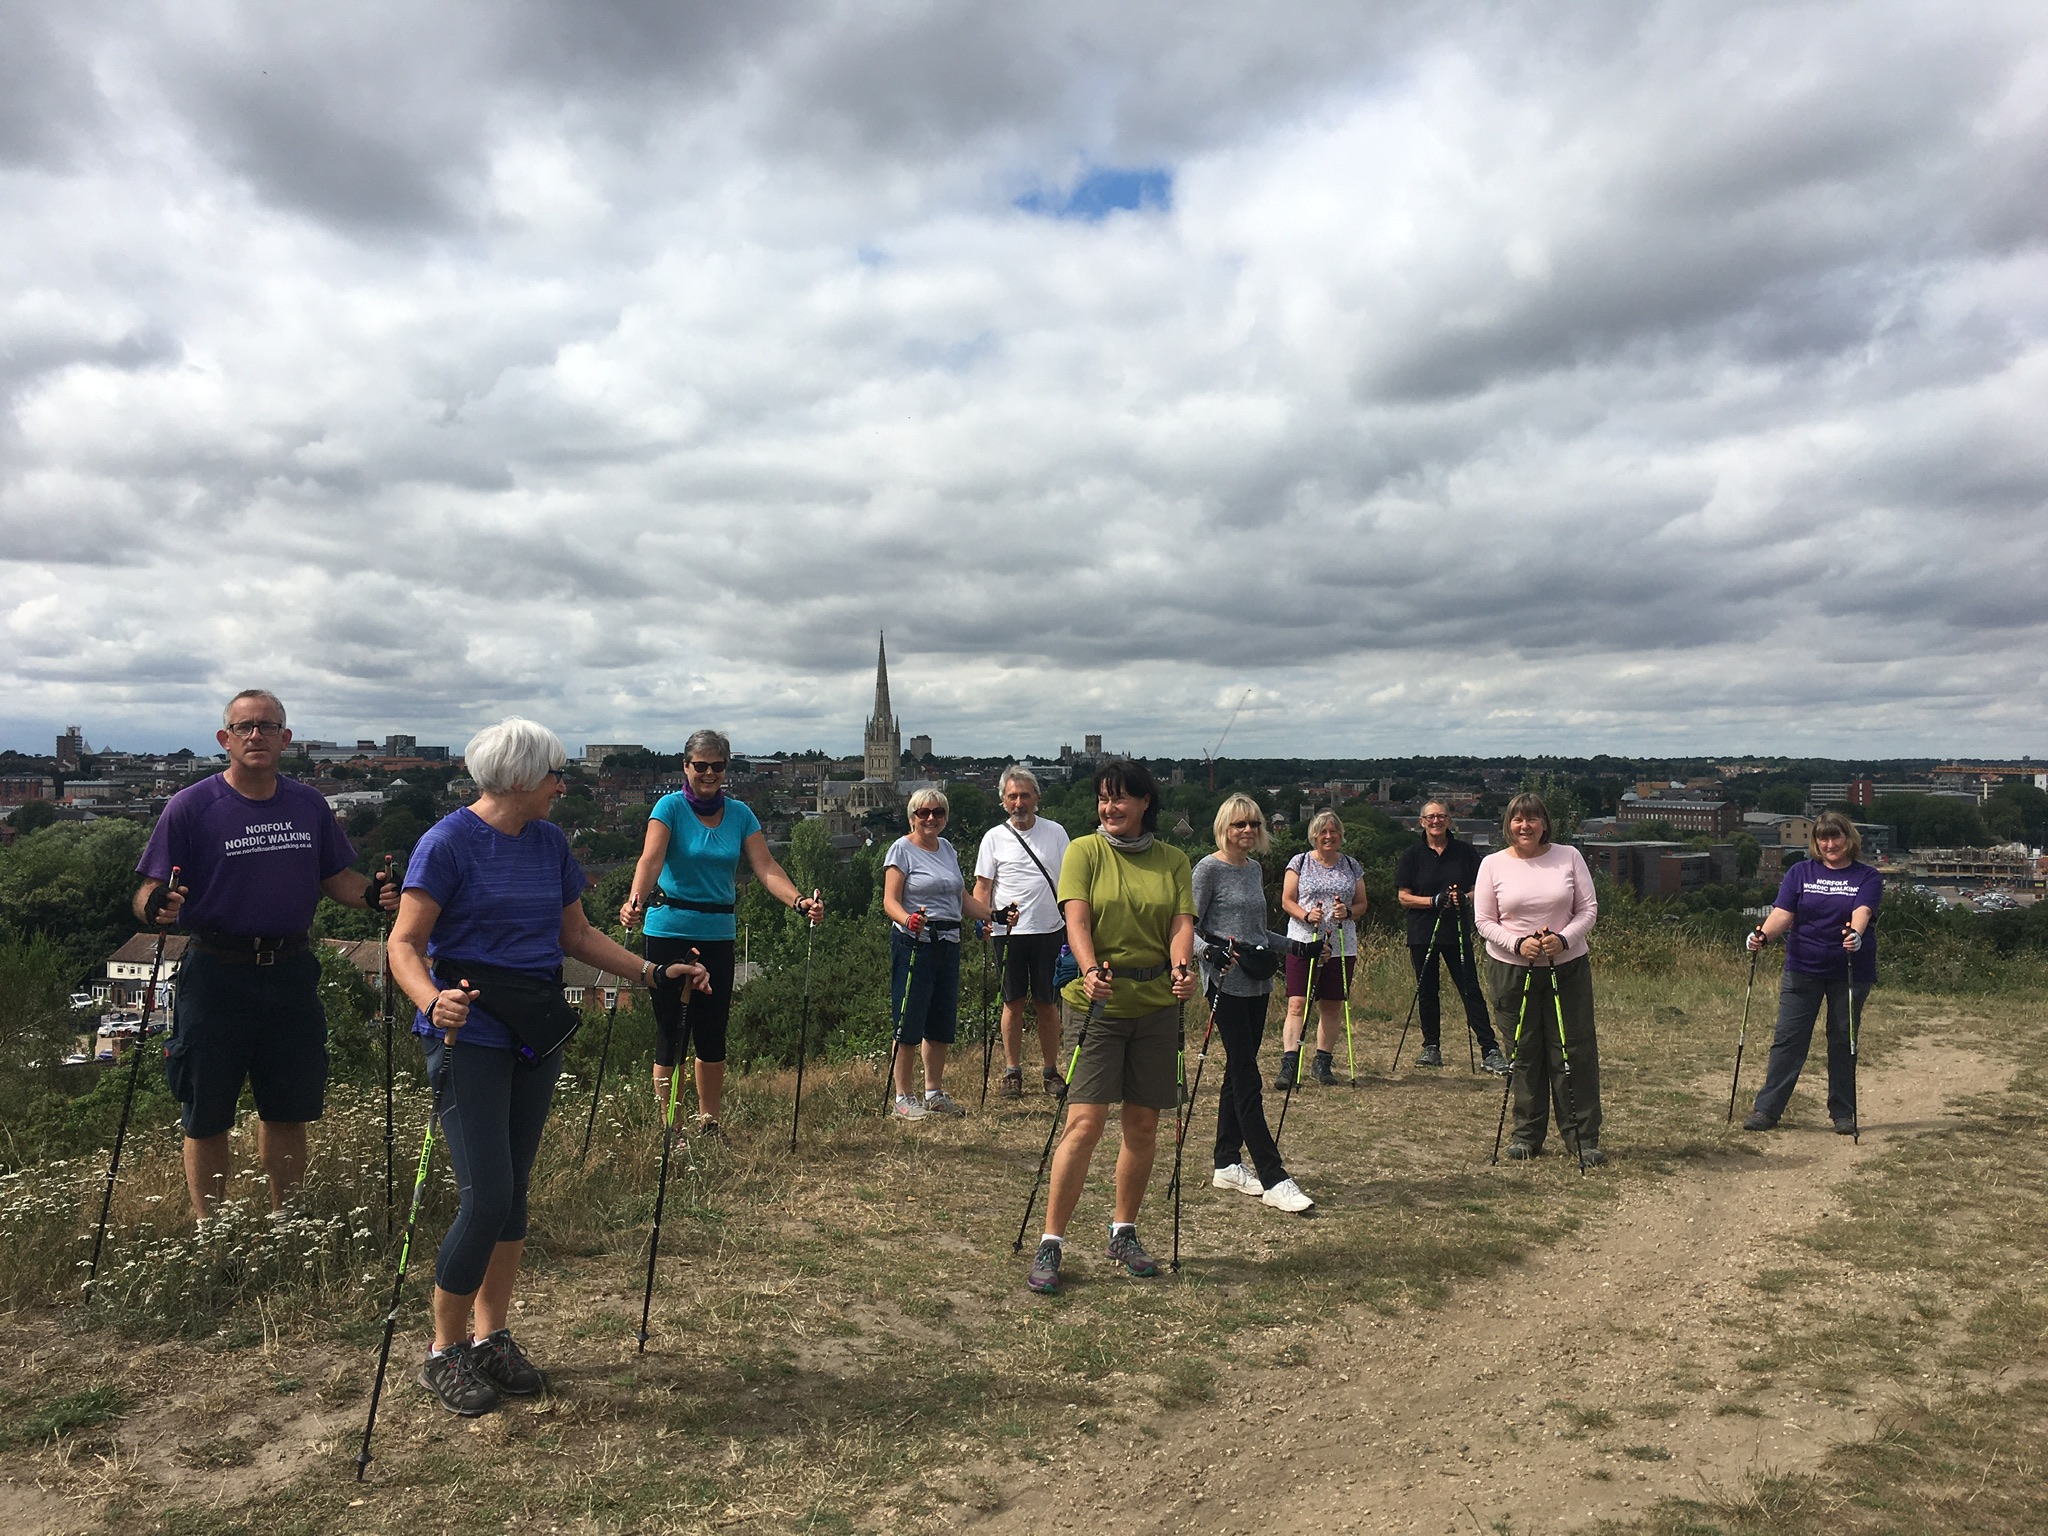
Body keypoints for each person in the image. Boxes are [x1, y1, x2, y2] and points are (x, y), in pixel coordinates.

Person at [389, 717, 708, 1416]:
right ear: (517, 778)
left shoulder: (549, 843)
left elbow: (578, 934)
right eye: (556, 774)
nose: (564, 786)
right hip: (468, 1025)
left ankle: (491, 1336)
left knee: (515, 1191)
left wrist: (651, 971)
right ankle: (443, 1351)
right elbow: (404, 944)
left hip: (534, 1022)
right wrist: (430, 999)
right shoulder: (445, 842)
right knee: (486, 1194)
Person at [134, 689, 399, 1219]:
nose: (256, 735)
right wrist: (155, 907)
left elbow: (335, 878)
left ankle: (287, 1221)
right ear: (224, 739)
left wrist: (371, 894)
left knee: (287, 1107)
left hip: (290, 972)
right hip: (216, 971)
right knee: (206, 1111)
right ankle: (212, 1229)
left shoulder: (308, 804)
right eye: (244, 727)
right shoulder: (190, 806)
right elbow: (146, 890)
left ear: (286, 738)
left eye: (267, 726)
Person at [1027, 761, 1198, 1294]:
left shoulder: (1173, 859)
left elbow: (1180, 923)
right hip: (1097, 1001)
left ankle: (1122, 1233)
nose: (1110, 807)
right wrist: (1087, 967)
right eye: (1104, 798)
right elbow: (1075, 918)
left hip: (1156, 1005)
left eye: (1121, 798)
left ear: (1146, 802)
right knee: (1085, 1122)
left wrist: (1182, 967)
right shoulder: (1083, 851)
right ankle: (1051, 1242)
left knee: (1143, 1125)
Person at [623, 730, 822, 1144]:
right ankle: (670, 1128)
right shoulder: (670, 807)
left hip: (717, 934)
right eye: (701, 766)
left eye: (717, 766)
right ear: (686, 767)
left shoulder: (741, 814)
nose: (709, 773)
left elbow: (765, 867)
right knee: (672, 1031)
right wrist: (634, 901)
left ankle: (709, 1122)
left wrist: (798, 902)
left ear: (726, 769)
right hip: (669, 931)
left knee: (713, 1030)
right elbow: (651, 859)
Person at [1193, 795, 1313, 1213]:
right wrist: (1207, 953)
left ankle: (1226, 1162)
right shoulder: (1207, 870)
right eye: (1239, 824)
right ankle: (1273, 1175)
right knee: (1247, 1075)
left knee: (1237, 1071)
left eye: (1254, 825)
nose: (1247, 831)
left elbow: (1259, 930)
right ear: (1224, 825)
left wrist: (1298, 948)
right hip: (1225, 984)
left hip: (1257, 984)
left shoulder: (1255, 869)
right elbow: (1186, 928)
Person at [1472, 792, 1604, 1165]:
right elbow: (1484, 921)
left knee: (1572, 1050)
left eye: (1532, 819)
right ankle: (1527, 1134)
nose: (1524, 826)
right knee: (1523, 1051)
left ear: (1545, 823)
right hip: (1512, 969)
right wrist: (1517, 944)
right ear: (1508, 825)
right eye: (1517, 820)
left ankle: (1583, 1137)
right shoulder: (1492, 865)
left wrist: (1563, 939)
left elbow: (1588, 909)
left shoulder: (1569, 857)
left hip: (1567, 966)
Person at [1740, 810, 1882, 1135]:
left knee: (1842, 1041)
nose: (1830, 843)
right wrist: (1762, 935)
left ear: (1848, 838)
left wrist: (1855, 935)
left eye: (1836, 836)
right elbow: (1782, 914)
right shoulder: (1800, 872)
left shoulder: (1867, 876)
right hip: (1803, 967)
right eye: (1823, 837)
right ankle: (1767, 1110)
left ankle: (1843, 1114)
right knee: (1788, 1040)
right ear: (1816, 842)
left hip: (1850, 971)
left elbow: (1862, 911)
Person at [884, 788, 1005, 1119]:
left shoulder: (948, 849)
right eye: (923, 813)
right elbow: (889, 901)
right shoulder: (901, 850)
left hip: (949, 942)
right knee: (909, 1021)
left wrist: (992, 915)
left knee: (940, 1021)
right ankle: (903, 1097)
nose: (931, 818)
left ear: (945, 818)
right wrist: (907, 919)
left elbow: (961, 898)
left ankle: (934, 1093)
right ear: (912, 817)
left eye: (938, 813)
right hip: (915, 943)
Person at [973, 765, 1071, 1099]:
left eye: (1025, 795)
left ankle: (1050, 1071)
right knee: (1012, 1003)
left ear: (1037, 798)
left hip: (1049, 930)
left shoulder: (1056, 833)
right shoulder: (993, 838)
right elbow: (982, 887)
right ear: (1003, 801)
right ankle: (1012, 1072)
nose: (1019, 802)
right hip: (1008, 933)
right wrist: (982, 919)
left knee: (1047, 1003)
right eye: (1013, 796)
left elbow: (1071, 882)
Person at [1396, 802, 1509, 1074]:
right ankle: (1431, 1046)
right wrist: (1434, 901)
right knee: (1427, 990)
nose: (1436, 821)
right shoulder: (1411, 855)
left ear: (1449, 820)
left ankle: (1489, 1049)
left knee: (1470, 989)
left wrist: (1463, 898)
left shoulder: (1466, 853)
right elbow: (1403, 897)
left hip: (1456, 931)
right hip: (1423, 931)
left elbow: (1479, 890)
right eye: (1431, 817)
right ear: (1421, 821)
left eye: (1441, 816)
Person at [1272, 811, 1368, 1090]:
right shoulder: (1299, 862)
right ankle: (1290, 1061)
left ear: (1340, 835)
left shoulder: (1350, 865)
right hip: (1304, 940)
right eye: (1323, 832)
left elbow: (1362, 903)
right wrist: (1305, 915)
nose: (1328, 836)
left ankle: (1322, 1061)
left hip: (1341, 942)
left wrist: (1347, 911)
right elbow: (1287, 900)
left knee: (1332, 1004)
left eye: (1333, 832)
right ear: (1314, 835)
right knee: (1297, 1003)